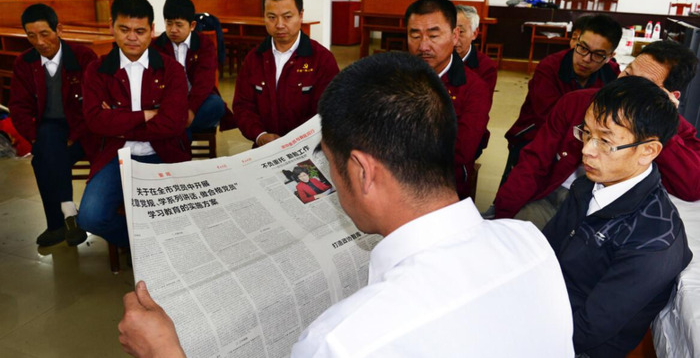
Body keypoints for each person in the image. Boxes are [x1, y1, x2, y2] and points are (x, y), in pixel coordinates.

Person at [118, 52, 575, 357]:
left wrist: (166, 354)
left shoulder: (341, 342)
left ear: (361, 170)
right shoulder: (530, 244)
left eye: (330, 166)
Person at [542, 76, 693, 357]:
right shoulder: (590, 183)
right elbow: (544, 250)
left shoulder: (653, 239)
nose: (587, 149)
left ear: (648, 150)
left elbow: (586, 331)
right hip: (546, 304)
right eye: (585, 133)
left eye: (605, 142)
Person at [495, 40, 700, 229]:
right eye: (627, 74)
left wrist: (661, 124)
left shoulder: (676, 129)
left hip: (615, 216)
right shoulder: (577, 103)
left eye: (640, 85)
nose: (623, 87)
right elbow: (533, 163)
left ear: (668, 96)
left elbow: (692, 186)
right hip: (558, 197)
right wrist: (502, 216)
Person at [79, 0, 190, 247]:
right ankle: (140, 246)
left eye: (140, 31)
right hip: (116, 157)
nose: (132, 37)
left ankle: (164, 244)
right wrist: (144, 116)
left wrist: (118, 123)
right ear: (111, 27)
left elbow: (173, 123)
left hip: (164, 153)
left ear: (152, 30)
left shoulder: (172, 70)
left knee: (184, 214)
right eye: (124, 29)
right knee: (89, 218)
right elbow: (95, 122)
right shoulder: (97, 71)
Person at [8, 4, 97, 247]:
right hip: (46, 131)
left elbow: (93, 104)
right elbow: (18, 106)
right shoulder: (24, 63)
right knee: (47, 142)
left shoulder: (82, 57)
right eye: (31, 35)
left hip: (82, 132)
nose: (39, 42)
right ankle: (69, 216)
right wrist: (32, 137)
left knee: (43, 159)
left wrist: (74, 135)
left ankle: (57, 225)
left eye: (44, 33)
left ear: (59, 29)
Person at [501, 14, 622, 184]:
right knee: (516, 189)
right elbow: (551, 120)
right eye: (583, 48)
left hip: (582, 146)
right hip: (534, 137)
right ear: (576, 40)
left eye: (598, 55)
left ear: (610, 56)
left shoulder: (611, 75)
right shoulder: (549, 68)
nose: (586, 59)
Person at [230, 0, 339, 147]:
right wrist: (260, 135)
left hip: (309, 149)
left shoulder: (321, 60)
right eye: (272, 17)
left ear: (301, 15)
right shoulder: (254, 59)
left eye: (287, 17)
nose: (279, 25)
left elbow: (328, 112)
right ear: (264, 16)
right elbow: (242, 106)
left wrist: (294, 142)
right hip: (264, 148)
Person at [405, 0, 492, 199]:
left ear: (454, 36)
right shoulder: (394, 74)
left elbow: (460, 152)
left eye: (434, 36)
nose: (423, 46)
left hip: (443, 185)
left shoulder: (474, 88)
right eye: (415, 35)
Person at [151, 0, 226, 136]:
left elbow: (205, 82)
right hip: (167, 102)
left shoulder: (204, 45)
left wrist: (190, 110)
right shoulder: (156, 46)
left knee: (216, 104)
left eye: (179, 25)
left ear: (192, 26)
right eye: (169, 23)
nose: (173, 29)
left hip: (196, 100)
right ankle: (181, 132)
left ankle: (176, 130)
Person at [454, 5, 498, 97]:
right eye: (449, 31)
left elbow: (481, 105)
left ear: (474, 33)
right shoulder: (435, 59)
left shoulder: (486, 67)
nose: (454, 38)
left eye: (460, 32)